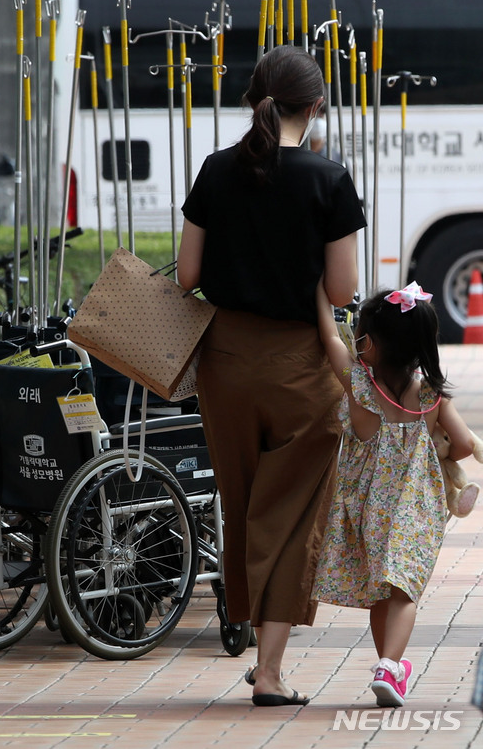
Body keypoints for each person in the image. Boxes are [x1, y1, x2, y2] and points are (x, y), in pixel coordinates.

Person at [177, 45, 366, 706]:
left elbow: (188, 278)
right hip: (299, 368)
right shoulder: (328, 179)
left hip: (224, 363)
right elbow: (342, 289)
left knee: (244, 503)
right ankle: (272, 670)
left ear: (253, 101)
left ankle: (254, 640)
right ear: (315, 107)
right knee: (288, 516)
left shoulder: (215, 171)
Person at [314, 280, 475, 707]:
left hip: (367, 511)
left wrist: (317, 289)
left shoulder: (360, 389)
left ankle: (388, 663)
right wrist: (439, 446)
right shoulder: (431, 398)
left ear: (372, 344)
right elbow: (462, 446)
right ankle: (391, 667)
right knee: (403, 590)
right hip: (415, 512)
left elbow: (330, 336)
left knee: (380, 592)